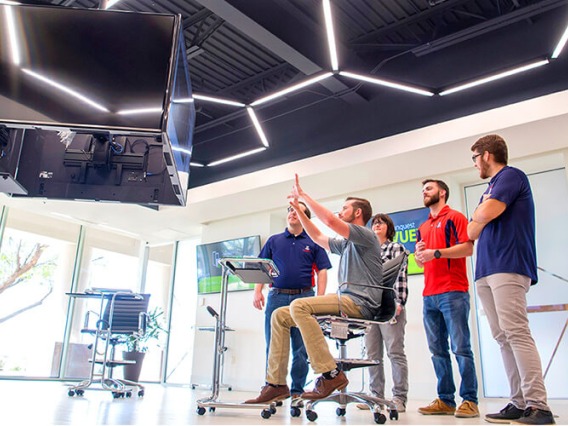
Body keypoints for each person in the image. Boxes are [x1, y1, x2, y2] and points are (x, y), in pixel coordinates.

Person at [245, 174, 383, 404]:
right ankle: (276, 383)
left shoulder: (365, 235)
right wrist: (298, 209)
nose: (340, 211)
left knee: (299, 305)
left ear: (358, 213)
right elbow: (318, 236)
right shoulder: (347, 243)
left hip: (360, 302)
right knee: (280, 316)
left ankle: (329, 374)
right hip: (346, 300)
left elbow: (328, 222)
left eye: (345, 208)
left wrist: (304, 197)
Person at [467, 134, 555, 425]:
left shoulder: (510, 176)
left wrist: (481, 213)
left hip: (509, 264)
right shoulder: (490, 187)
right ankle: (518, 402)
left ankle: (538, 406)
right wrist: (480, 215)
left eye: (475, 157)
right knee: (502, 337)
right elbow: (471, 232)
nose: (475, 164)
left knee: (516, 332)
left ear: (487, 154)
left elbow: (487, 212)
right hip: (485, 270)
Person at [253, 201, 332, 399]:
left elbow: (323, 270)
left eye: (298, 212)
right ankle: (273, 387)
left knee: (301, 348)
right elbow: (263, 267)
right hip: (276, 296)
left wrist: (320, 299)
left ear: (305, 217)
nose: (292, 214)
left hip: (304, 298)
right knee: (272, 345)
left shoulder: (313, 241)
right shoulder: (274, 240)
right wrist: (257, 292)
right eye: (290, 211)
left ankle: (297, 391)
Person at [414, 179, 479, 418]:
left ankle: (470, 400)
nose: (425, 192)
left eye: (429, 189)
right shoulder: (422, 226)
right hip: (429, 295)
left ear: (442, 193)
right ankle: (445, 399)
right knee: (437, 350)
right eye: (423, 190)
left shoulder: (456, 217)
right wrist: (421, 257)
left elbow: (467, 248)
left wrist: (436, 253)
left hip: (453, 291)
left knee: (461, 348)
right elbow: (421, 261)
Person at [357, 213, 409, 413]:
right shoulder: (366, 251)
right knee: (372, 355)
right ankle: (376, 396)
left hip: (390, 306)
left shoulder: (396, 248)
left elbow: (400, 276)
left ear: (389, 227)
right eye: (374, 223)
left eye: (381, 223)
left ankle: (399, 398)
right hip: (370, 309)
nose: (377, 225)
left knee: (395, 352)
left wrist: (399, 302)